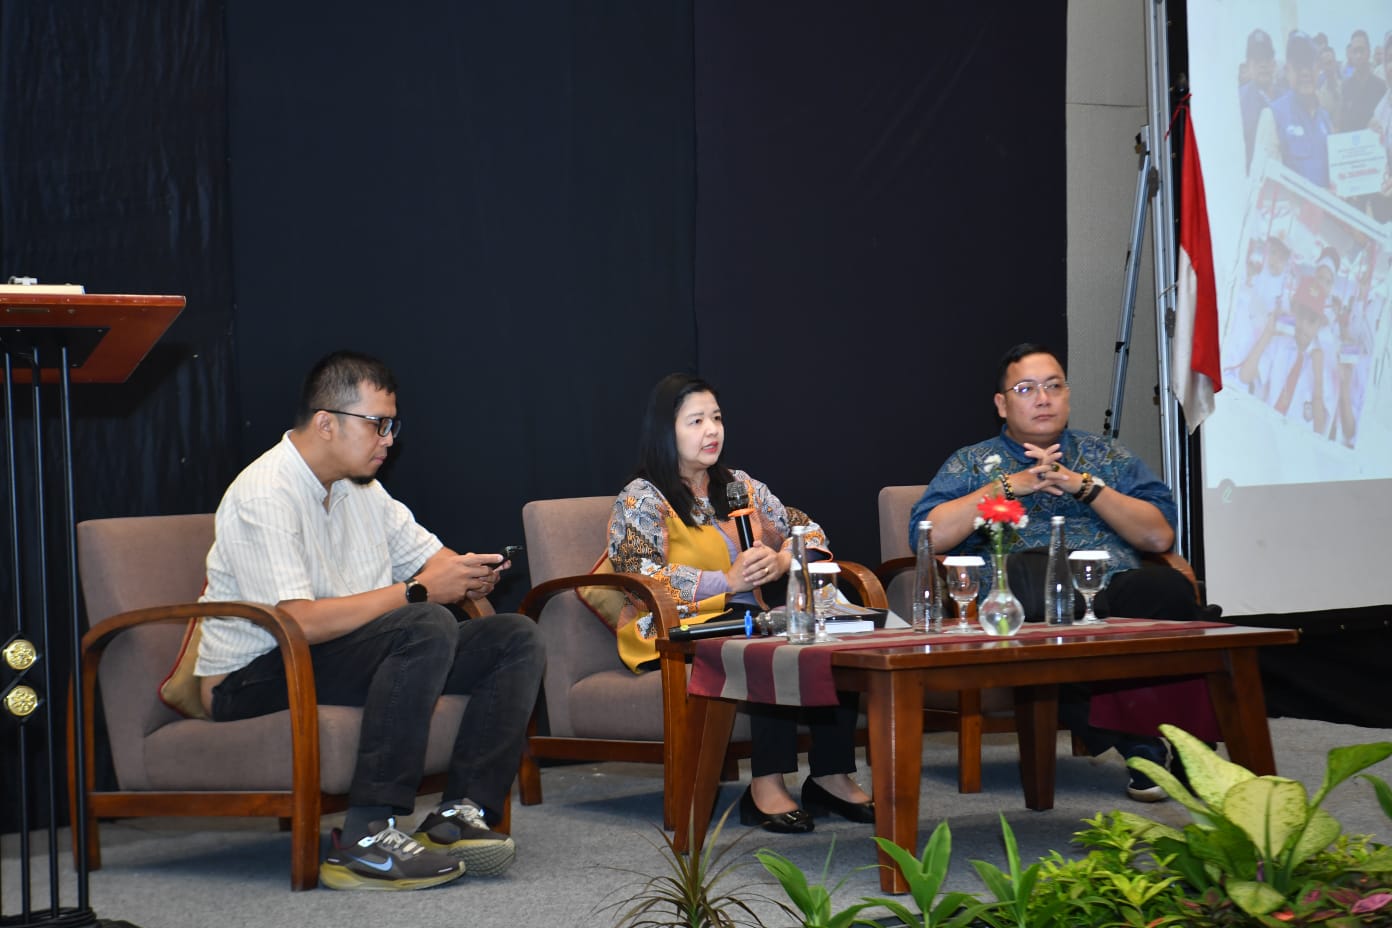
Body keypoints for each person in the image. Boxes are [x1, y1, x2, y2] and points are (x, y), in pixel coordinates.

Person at [195, 351, 545, 891]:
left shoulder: (364, 489)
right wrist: (420, 591)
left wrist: (467, 575)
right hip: (255, 676)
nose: (389, 440)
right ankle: (366, 836)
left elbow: (432, 560)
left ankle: (459, 815)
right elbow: (297, 622)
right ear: (326, 423)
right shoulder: (264, 492)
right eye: (378, 424)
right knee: (423, 621)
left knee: (514, 636)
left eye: (392, 425)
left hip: (339, 657)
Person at [909, 344, 1207, 802]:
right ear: (1001, 404)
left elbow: (1157, 536)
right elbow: (925, 536)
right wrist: (1007, 487)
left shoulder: (1107, 456)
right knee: (1043, 595)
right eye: (1026, 389)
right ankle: (1141, 748)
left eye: (1053, 386)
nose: (1043, 398)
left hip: (1110, 585)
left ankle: (1190, 750)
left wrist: (1084, 487)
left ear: (1067, 395)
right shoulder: (971, 463)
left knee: (1164, 586)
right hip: (1022, 598)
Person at [601, 372, 872, 833]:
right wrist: (725, 582)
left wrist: (784, 560)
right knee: (767, 641)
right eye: (696, 421)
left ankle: (831, 775)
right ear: (665, 431)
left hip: (748, 619)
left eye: (717, 418)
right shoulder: (642, 497)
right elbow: (637, 575)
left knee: (822, 629)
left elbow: (809, 530)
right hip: (673, 628)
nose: (712, 430)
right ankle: (766, 785)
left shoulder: (739, 486)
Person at [1254, 32, 1334, 189]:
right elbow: (1264, 186)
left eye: (1309, 63)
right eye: (1298, 65)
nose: (1305, 72)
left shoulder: (1325, 119)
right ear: (1287, 71)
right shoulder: (1271, 116)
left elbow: (1338, 176)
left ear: (1318, 68)